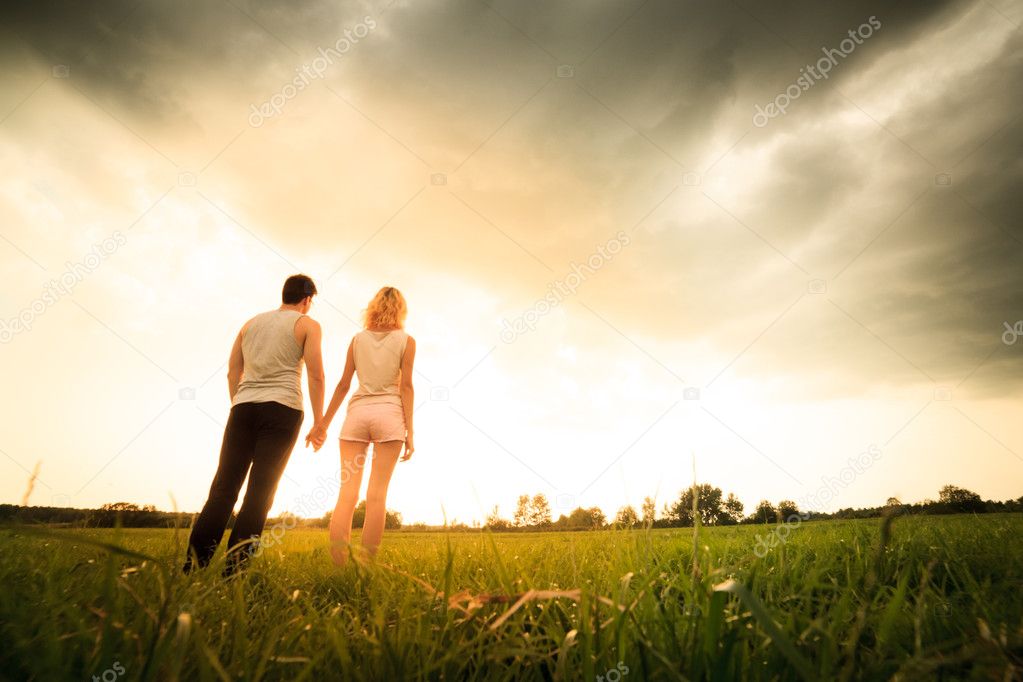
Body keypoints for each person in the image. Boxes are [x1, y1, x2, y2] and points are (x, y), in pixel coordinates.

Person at [185, 274, 325, 573]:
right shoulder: (307, 325)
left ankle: (193, 568)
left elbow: (233, 371)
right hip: (283, 409)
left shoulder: (250, 324)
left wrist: (240, 401)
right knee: (259, 493)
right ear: (307, 299)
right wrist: (320, 421)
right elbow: (316, 375)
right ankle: (233, 573)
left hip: (243, 407)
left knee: (223, 489)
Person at [306, 286, 415, 565]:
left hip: (356, 416)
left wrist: (322, 424)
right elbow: (406, 386)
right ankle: (365, 567)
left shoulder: (357, 340)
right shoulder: (406, 340)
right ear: (400, 309)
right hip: (389, 416)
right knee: (376, 497)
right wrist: (410, 431)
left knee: (347, 495)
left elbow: (344, 384)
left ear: (374, 307)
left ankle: (339, 565)